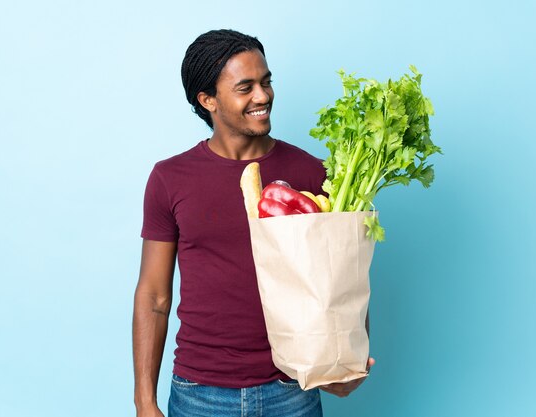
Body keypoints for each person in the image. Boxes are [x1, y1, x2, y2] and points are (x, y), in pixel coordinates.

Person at [132, 29, 374, 417]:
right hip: (199, 394)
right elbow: (154, 297)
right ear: (207, 99)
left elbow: (344, 277)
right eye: (245, 87)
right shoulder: (170, 178)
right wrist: (144, 401)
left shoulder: (314, 173)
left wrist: (347, 361)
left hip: (291, 389)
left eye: (266, 82)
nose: (262, 96)